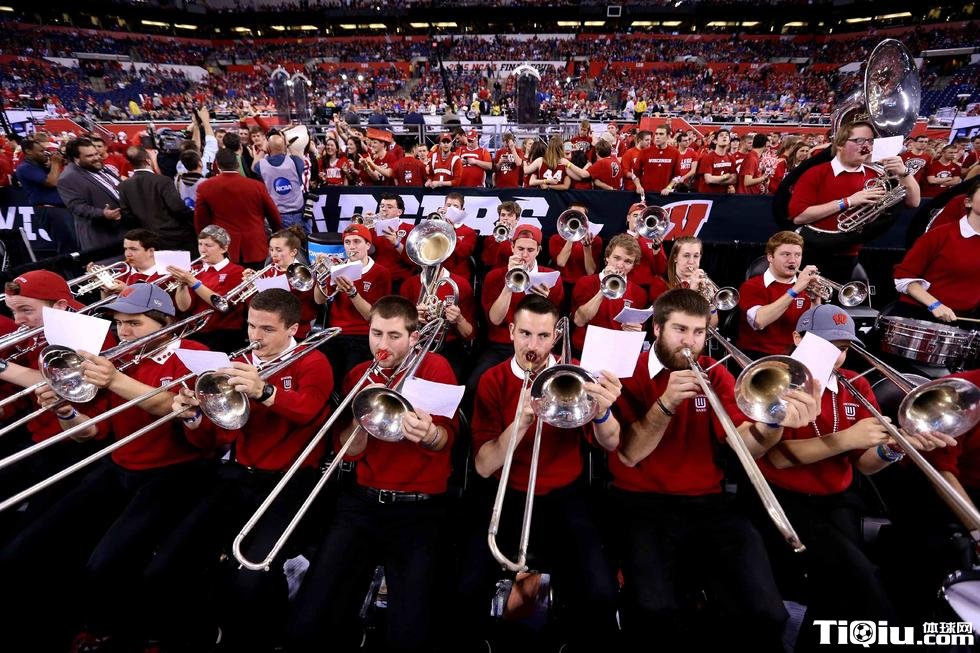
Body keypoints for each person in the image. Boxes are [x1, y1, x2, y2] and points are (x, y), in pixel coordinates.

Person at [0, 283, 213, 653]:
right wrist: (65, 410)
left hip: (174, 472)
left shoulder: (195, 355)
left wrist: (115, 378)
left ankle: (117, 631)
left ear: (166, 323)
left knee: (106, 562)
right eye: (119, 323)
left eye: (135, 323)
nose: (123, 332)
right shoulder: (119, 358)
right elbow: (92, 432)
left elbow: (180, 415)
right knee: (28, 546)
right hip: (119, 464)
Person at [606, 288, 819, 652]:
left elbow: (744, 445)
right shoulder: (626, 372)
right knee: (655, 613)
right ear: (656, 329)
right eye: (680, 330)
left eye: (698, 332)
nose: (690, 342)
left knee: (768, 615)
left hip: (708, 503)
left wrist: (773, 422)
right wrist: (666, 404)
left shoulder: (715, 375)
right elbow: (628, 454)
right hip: (641, 502)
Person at [757, 304, 955, 651]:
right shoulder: (774, 379)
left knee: (841, 589)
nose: (836, 357)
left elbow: (864, 465)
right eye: (826, 345)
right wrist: (846, 438)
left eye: (844, 348)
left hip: (839, 497)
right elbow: (778, 458)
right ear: (797, 339)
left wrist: (894, 448)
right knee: (862, 583)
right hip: (786, 498)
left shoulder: (856, 382)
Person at [150, 288, 334, 652]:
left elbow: (308, 411)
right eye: (251, 326)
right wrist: (192, 416)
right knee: (167, 563)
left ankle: (265, 636)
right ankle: (201, 633)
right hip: (237, 474)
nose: (255, 336)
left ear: (292, 329)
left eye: (267, 329)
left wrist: (264, 391)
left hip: (290, 478)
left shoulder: (313, 361)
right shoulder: (235, 364)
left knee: (250, 576)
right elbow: (213, 439)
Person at [287, 296, 458, 653]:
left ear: (413, 337)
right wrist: (360, 417)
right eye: (376, 333)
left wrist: (429, 433)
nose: (383, 344)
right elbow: (350, 453)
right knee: (313, 611)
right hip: (362, 502)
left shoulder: (436, 367)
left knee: (410, 630)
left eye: (394, 336)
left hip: (419, 508)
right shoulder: (358, 374)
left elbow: (445, 442)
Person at [456, 294, 621, 653]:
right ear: (511, 332)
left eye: (544, 336)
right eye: (526, 334)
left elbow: (611, 443)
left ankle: (570, 641)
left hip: (566, 493)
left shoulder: (576, 376)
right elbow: (483, 466)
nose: (533, 346)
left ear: (556, 337)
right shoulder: (492, 380)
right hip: (506, 492)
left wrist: (604, 413)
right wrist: (519, 424)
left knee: (601, 592)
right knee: (466, 587)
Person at [788, 119, 920, 282]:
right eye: (859, 141)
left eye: (870, 141)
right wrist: (848, 201)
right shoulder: (816, 173)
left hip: (849, 254)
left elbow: (913, 202)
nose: (866, 147)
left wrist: (904, 172)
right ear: (840, 144)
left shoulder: (878, 175)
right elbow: (799, 217)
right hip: (812, 250)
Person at [473, 224, 565, 387]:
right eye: (520, 249)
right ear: (512, 247)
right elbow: (495, 320)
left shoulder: (552, 278)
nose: (524, 255)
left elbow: (553, 324)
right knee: (475, 383)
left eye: (530, 250)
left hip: (536, 344)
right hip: (502, 345)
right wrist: (509, 284)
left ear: (539, 250)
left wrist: (544, 302)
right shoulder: (494, 276)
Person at [892, 177, 980, 323]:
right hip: (919, 315)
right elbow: (903, 277)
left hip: (963, 320)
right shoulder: (940, 234)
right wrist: (935, 305)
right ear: (967, 202)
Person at [315, 224, 392, 382]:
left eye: (357, 241)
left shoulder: (381, 273)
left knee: (350, 378)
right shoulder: (338, 268)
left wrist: (352, 293)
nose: (351, 247)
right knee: (322, 375)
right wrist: (321, 278)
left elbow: (372, 316)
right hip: (334, 333)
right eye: (347, 242)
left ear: (368, 245)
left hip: (362, 335)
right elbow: (319, 300)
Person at [194, 148, 282, 269]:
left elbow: (201, 222)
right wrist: (276, 236)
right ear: (237, 164)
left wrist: (205, 244)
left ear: (217, 165)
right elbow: (274, 215)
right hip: (255, 246)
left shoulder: (205, 187)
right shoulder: (257, 186)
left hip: (223, 247)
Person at [737, 231, 818, 359]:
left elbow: (813, 329)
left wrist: (815, 301)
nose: (793, 260)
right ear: (770, 257)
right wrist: (795, 290)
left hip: (796, 355)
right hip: (757, 357)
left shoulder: (806, 286)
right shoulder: (751, 286)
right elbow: (759, 321)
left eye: (797, 255)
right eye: (786, 254)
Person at [166, 225, 247, 353]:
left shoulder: (236, 271)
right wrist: (182, 284)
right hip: (196, 331)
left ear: (224, 248)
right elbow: (184, 307)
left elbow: (222, 305)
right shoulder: (194, 270)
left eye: (208, 245)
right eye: (200, 244)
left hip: (224, 333)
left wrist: (193, 282)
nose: (203, 250)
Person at [571, 234, 650, 355]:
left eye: (628, 261)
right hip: (586, 349)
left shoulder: (639, 293)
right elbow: (579, 321)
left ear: (633, 265)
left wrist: (635, 332)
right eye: (617, 258)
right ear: (607, 257)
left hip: (617, 352)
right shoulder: (585, 282)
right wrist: (603, 289)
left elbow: (635, 333)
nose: (620, 265)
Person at [56, 137, 127, 253]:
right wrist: (103, 213)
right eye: (90, 156)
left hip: (122, 230)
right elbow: (77, 207)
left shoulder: (98, 166)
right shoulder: (67, 178)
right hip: (102, 237)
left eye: (96, 154)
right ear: (76, 159)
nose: (97, 158)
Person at [251, 226, 321, 338]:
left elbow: (310, 308)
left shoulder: (304, 273)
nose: (273, 254)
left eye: (278, 250)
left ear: (293, 252)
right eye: (271, 249)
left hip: (296, 330)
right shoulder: (268, 271)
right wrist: (252, 285)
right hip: (268, 328)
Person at [14, 138, 78, 254]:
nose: (45, 153)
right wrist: (55, 163)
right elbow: (52, 182)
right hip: (50, 210)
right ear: (28, 151)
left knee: (75, 243)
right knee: (67, 246)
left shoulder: (40, 165)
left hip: (61, 209)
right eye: (41, 151)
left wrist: (61, 162)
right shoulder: (25, 167)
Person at [548, 200, 602, 299]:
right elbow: (561, 262)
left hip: (584, 284)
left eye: (579, 215)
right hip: (562, 283)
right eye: (573, 214)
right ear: (567, 217)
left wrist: (587, 248)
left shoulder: (596, 240)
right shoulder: (555, 238)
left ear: (585, 219)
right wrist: (571, 235)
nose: (576, 218)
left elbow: (590, 272)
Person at [254, 133, 307, 230]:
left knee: (282, 239)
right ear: (284, 147)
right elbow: (300, 159)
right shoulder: (294, 161)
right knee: (300, 239)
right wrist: (288, 145)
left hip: (279, 214)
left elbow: (253, 166)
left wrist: (263, 149)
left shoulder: (262, 165)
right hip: (299, 211)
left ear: (269, 148)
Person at [632, 124, 682, 198]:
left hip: (665, 195)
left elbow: (677, 175)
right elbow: (635, 173)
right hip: (647, 194)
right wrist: (638, 186)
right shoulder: (645, 152)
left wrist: (669, 187)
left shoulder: (675, 153)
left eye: (661, 134)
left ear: (668, 136)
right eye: (656, 134)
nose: (657, 137)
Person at [482, 200, 521, 270]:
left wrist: (508, 237)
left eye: (510, 215)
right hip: (497, 272)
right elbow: (488, 261)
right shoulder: (491, 239)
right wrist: (497, 239)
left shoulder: (522, 238)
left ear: (517, 219)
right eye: (503, 215)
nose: (505, 218)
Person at [696, 129, 737, 194]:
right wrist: (725, 176)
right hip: (708, 195)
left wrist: (717, 180)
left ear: (729, 140)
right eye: (721, 135)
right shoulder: (707, 157)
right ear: (715, 141)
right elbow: (709, 179)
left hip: (723, 195)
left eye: (727, 135)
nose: (724, 136)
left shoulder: (731, 158)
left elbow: (734, 179)